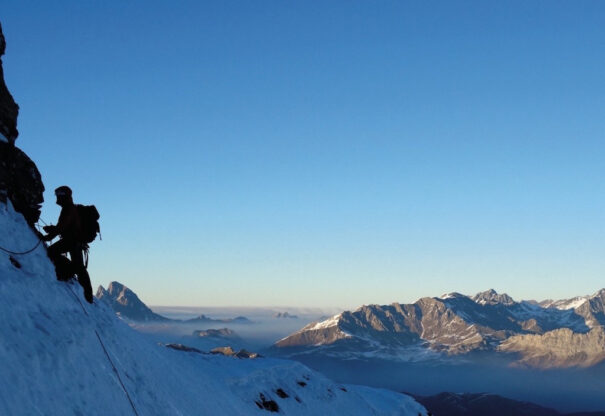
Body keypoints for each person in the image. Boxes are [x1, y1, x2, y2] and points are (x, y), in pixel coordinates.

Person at [42, 186, 94, 303]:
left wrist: (48, 236)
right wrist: (52, 230)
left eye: (59, 194)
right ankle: (87, 294)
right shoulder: (69, 208)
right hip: (74, 241)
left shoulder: (68, 209)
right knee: (80, 268)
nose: (57, 196)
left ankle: (67, 274)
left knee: (52, 252)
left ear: (65, 195)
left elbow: (62, 227)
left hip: (72, 241)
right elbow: (64, 226)